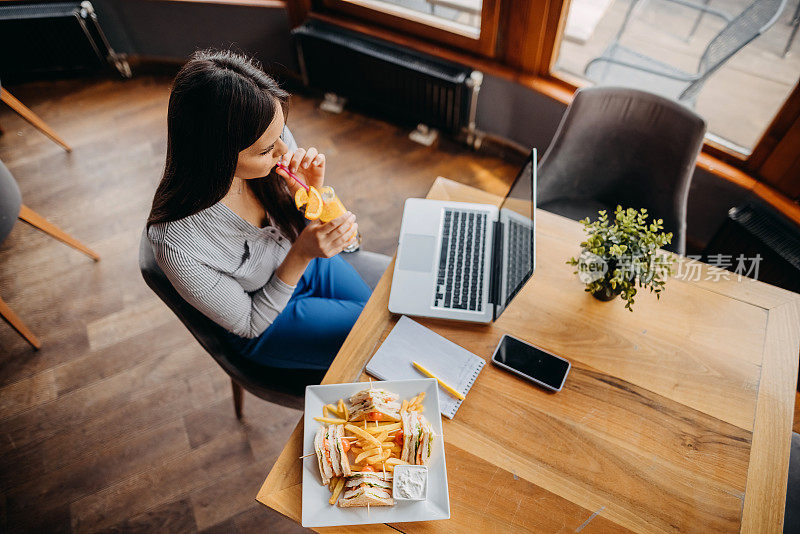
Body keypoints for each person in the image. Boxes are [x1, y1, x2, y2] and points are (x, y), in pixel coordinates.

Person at [146, 49, 371, 371]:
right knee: (373, 341)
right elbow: (250, 324)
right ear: (217, 155)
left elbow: (350, 241)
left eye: (282, 133)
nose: (284, 150)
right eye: (268, 148)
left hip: (303, 259)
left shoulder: (269, 143)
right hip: (266, 317)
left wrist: (313, 195)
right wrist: (302, 254)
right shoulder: (177, 245)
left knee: (378, 318)